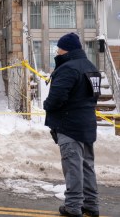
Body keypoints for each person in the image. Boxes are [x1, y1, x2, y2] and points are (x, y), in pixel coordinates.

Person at [44, 33, 100, 217]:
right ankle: (91, 204)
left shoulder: (67, 68)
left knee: (73, 167)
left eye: (58, 48)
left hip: (69, 126)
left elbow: (56, 98)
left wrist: (47, 105)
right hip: (87, 124)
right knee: (86, 166)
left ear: (66, 49)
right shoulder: (91, 67)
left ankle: (73, 206)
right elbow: (94, 96)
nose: (57, 51)